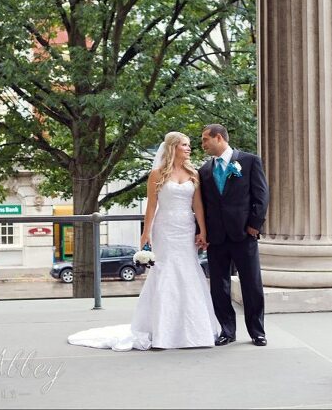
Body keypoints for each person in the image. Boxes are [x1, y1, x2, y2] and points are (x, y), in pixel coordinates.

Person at [67, 132, 219, 350]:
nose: (189, 148)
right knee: (165, 272)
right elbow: (151, 206)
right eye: (184, 145)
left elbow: (198, 206)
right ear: (173, 148)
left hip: (186, 229)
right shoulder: (157, 174)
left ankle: (194, 331)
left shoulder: (193, 173)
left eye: (188, 145)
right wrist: (146, 233)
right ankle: (162, 331)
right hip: (164, 229)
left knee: (188, 271)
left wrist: (202, 231)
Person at [198, 124, 270, 346]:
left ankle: (257, 332)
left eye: (205, 140)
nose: (203, 145)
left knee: (252, 284)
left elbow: (261, 195)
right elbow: (203, 205)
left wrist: (254, 225)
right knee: (219, 287)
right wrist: (203, 233)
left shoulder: (249, 161)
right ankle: (227, 331)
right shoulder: (204, 171)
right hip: (216, 238)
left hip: (243, 234)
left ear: (218, 137)